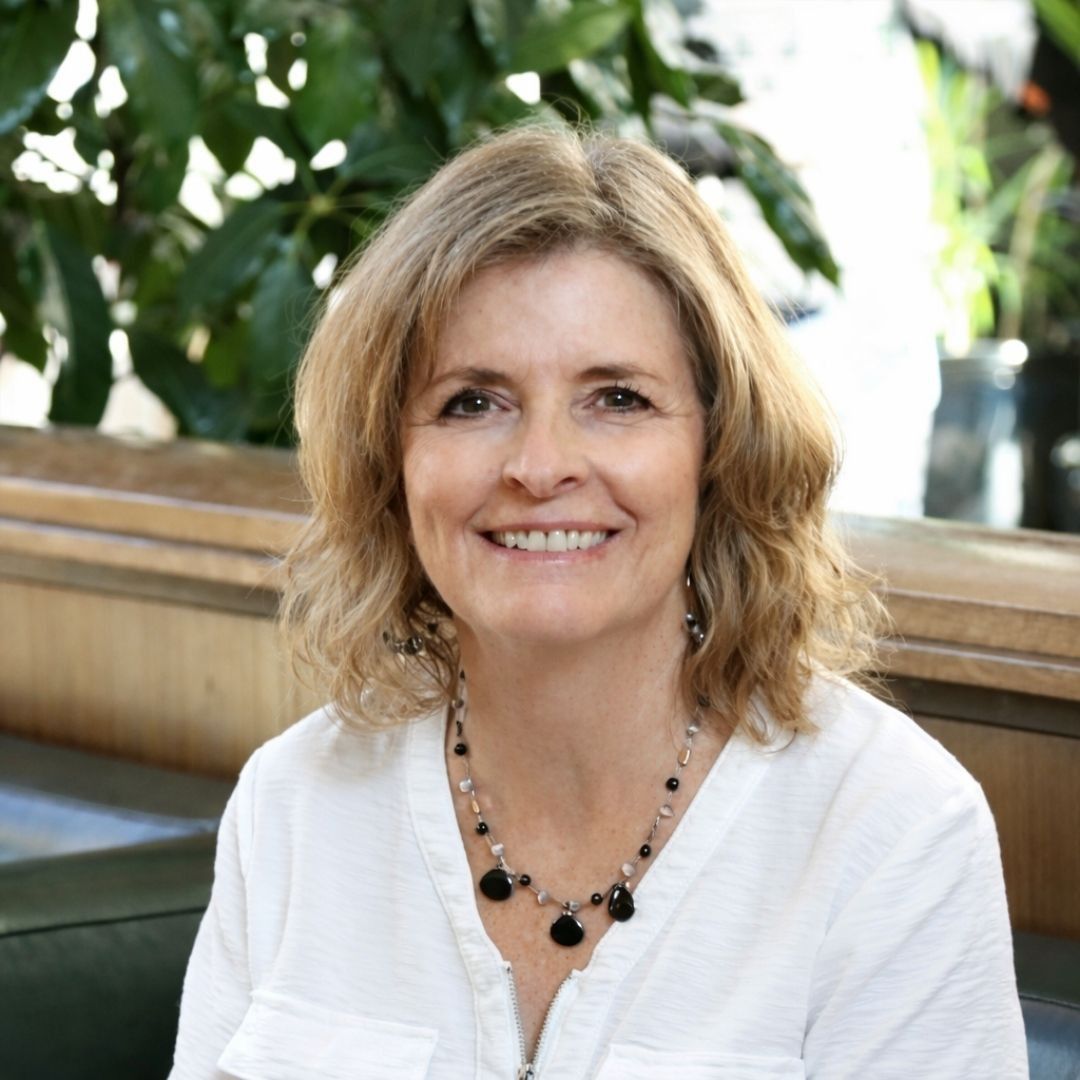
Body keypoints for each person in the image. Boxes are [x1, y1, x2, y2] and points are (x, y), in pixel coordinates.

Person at [169, 125, 1027, 1079]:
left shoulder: (890, 828)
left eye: (616, 399)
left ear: (720, 448)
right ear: (391, 463)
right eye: (471, 402)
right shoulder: (293, 807)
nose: (540, 467)